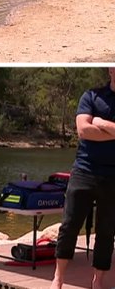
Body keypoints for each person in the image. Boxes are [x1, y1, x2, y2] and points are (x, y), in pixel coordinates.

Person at [50, 68, 115, 289]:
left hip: (113, 176)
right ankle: (58, 279)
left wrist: (102, 123)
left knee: (106, 231)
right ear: (110, 69)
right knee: (69, 226)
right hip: (84, 171)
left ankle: (97, 282)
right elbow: (84, 130)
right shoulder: (91, 96)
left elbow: (93, 126)